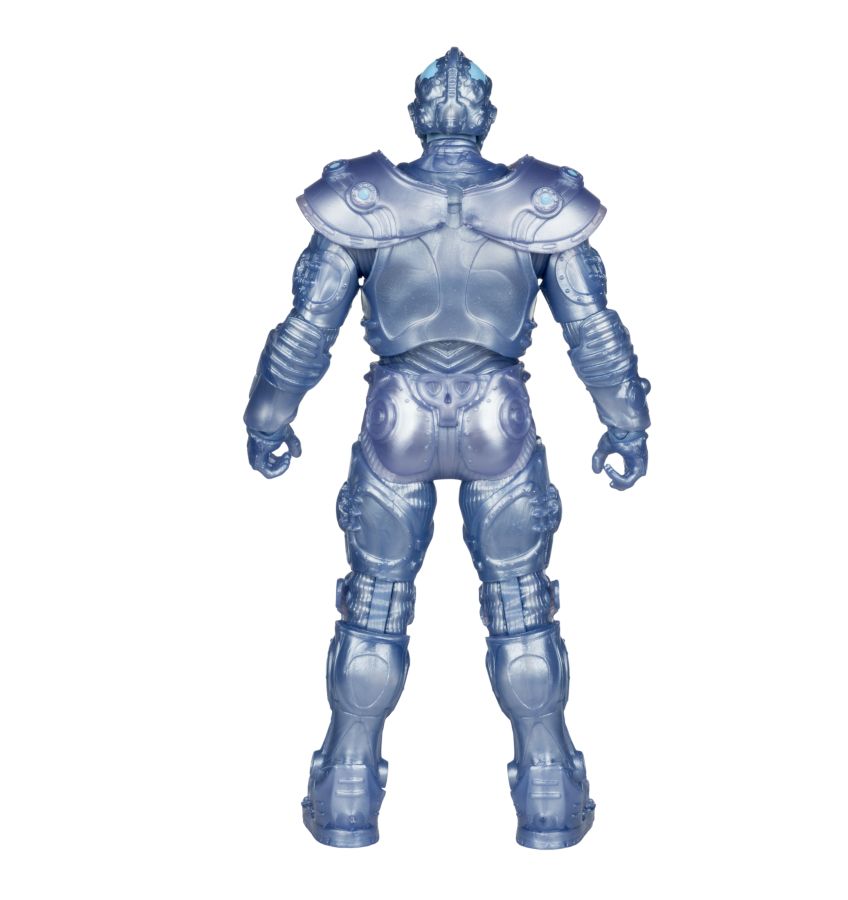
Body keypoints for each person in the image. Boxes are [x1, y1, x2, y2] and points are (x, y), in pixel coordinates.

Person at [243, 47, 651, 849]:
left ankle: (347, 796)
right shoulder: (541, 203)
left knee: (374, 608)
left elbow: (307, 330)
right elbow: (593, 332)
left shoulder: (362, 200)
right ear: (485, 117)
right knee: (521, 610)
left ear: (419, 116)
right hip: (499, 414)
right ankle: (548, 797)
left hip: (398, 414)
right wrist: (626, 421)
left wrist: (268, 416)